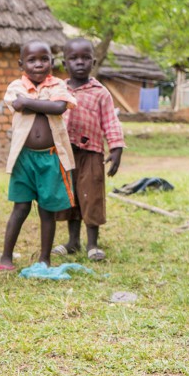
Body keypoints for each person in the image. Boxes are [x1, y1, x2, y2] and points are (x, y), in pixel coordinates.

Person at [0, 40, 77, 271]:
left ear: (52, 62)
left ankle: (44, 258)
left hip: (51, 158)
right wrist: (44, 104)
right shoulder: (15, 86)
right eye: (32, 60)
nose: (38, 64)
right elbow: (18, 105)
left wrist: (31, 103)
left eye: (44, 59)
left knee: (47, 210)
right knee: (20, 207)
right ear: (22, 64)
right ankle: (6, 257)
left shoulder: (58, 84)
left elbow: (60, 107)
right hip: (24, 158)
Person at [55, 37, 125, 261]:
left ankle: (93, 244)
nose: (80, 62)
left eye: (85, 58)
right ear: (65, 64)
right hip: (66, 154)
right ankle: (72, 241)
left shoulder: (100, 92)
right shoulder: (58, 91)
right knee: (71, 196)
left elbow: (110, 122)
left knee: (91, 196)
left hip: (92, 153)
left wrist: (116, 149)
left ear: (93, 62)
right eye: (73, 58)